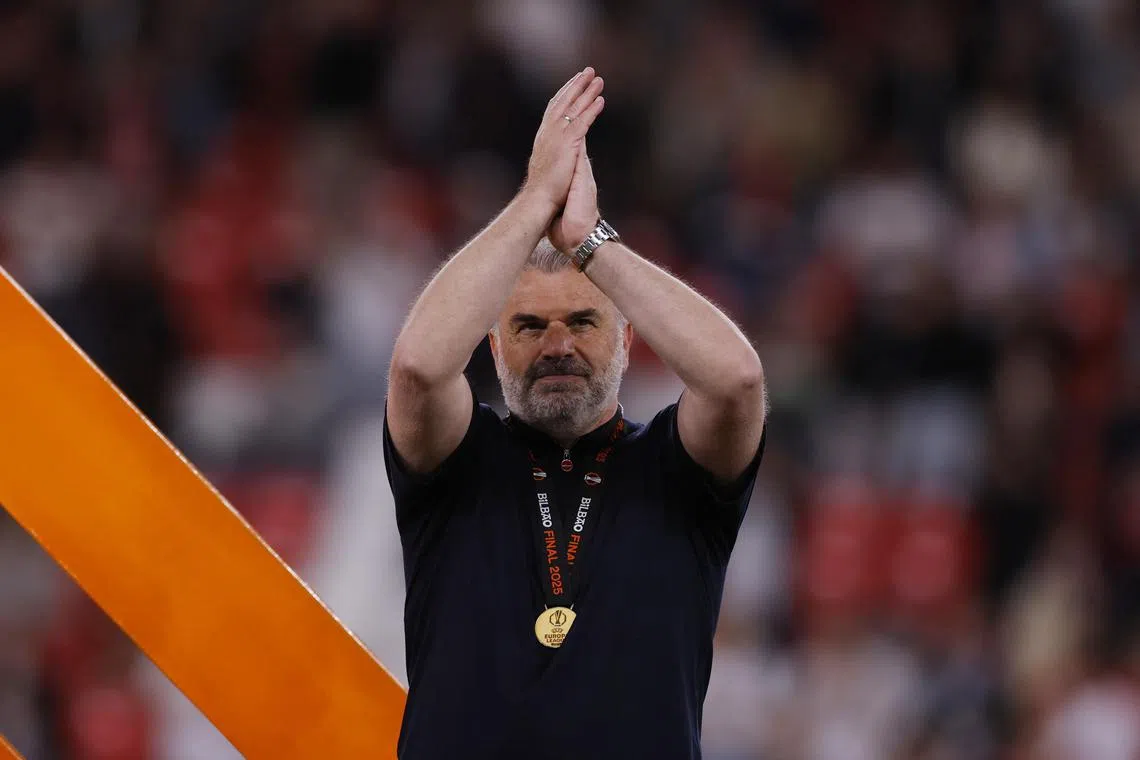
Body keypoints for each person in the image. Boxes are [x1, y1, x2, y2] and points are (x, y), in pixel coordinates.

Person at [384, 67, 767, 759]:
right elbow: (417, 366)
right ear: (493, 346)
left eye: (584, 321)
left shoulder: (676, 472)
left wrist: (591, 240)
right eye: (529, 325)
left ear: (626, 339)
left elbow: (738, 383)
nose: (557, 346)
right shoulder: (459, 460)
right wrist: (535, 201)